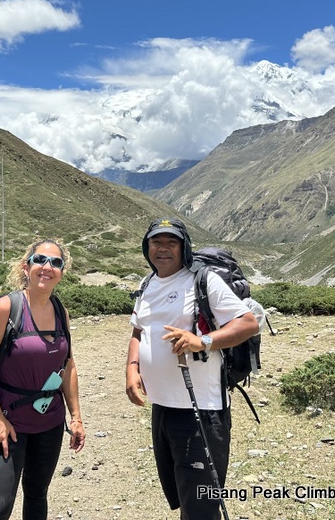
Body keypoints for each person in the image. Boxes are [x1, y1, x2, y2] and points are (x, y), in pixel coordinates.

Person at [126, 218, 259, 520]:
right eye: (156, 242)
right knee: (182, 495)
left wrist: (202, 341)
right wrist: (132, 368)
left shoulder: (203, 280)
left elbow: (248, 323)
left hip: (201, 410)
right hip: (162, 408)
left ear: (183, 247)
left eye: (171, 242)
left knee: (201, 505)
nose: (162, 248)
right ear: (146, 247)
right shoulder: (146, 283)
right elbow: (138, 331)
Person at [0, 239, 86, 520]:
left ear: (62, 273)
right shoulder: (5, 308)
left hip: (49, 421)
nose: (48, 267)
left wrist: (76, 416)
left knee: (37, 496)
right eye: (40, 260)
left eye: (56, 263)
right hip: (8, 422)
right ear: (27, 266)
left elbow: (67, 365)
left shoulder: (62, 312)